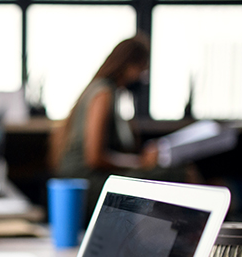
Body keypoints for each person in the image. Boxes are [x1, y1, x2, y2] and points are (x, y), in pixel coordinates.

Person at [50, 33, 184, 212]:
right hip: (87, 182)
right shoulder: (103, 93)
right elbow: (95, 158)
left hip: (90, 178)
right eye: (143, 68)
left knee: (174, 173)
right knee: (180, 174)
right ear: (129, 65)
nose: (144, 76)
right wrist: (141, 162)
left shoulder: (112, 93)